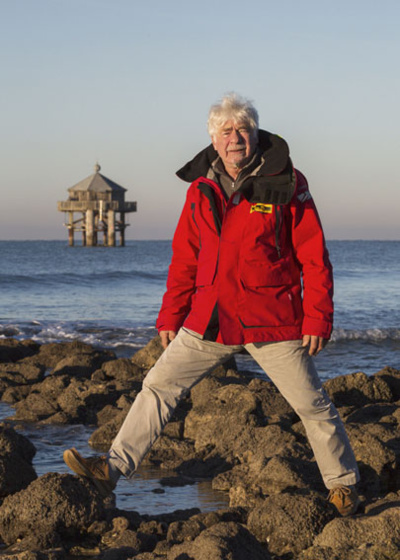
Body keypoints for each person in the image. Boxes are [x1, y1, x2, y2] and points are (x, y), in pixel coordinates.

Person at [64, 93, 360, 516]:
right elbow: (185, 258)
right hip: (211, 318)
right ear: (214, 140)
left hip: (270, 318)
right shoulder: (201, 190)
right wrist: (171, 315)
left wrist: (318, 317)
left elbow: (314, 257)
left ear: (255, 134)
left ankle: (344, 485)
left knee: (312, 404)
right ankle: (109, 469)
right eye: (226, 131)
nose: (235, 137)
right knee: (157, 386)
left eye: (242, 129)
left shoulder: (289, 183)